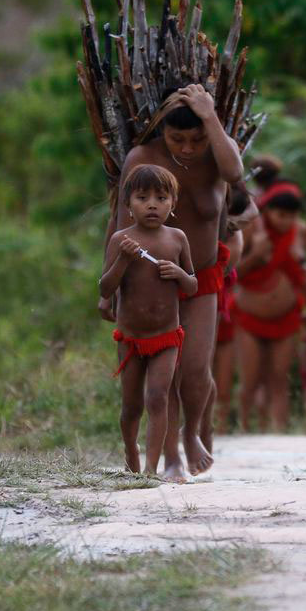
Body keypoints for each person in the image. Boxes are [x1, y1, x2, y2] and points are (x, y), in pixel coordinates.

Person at [112, 84, 244, 480]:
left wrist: (211, 117)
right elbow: (118, 225)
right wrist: (114, 288)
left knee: (195, 366)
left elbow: (236, 173)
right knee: (161, 375)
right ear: (161, 131)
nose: (187, 148)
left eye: (196, 139)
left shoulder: (219, 155)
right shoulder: (143, 157)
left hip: (202, 276)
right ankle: (170, 457)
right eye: (177, 139)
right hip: (150, 283)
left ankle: (192, 433)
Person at [100, 164, 197, 476]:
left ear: (173, 204)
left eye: (161, 197)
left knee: (157, 398)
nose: (152, 204)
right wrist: (123, 260)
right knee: (131, 405)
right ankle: (131, 453)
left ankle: (151, 469)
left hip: (167, 337)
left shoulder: (177, 239)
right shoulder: (120, 240)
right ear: (128, 205)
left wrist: (179, 274)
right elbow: (105, 287)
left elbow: (193, 285)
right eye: (142, 198)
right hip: (130, 339)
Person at [235, 180, 306, 431]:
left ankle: (278, 432)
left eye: (291, 216)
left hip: (287, 316)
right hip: (249, 317)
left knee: (279, 378)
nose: (285, 221)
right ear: (267, 210)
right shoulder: (252, 229)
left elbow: (301, 274)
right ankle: (243, 428)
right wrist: (256, 254)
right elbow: (233, 274)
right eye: (280, 215)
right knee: (250, 378)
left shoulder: (300, 231)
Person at [209, 186, 251, 435]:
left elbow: (230, 267)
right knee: (193, 367)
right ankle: (192, 425)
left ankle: (220, 425)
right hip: (199, 295)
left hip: (223, 306)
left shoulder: (237, 224)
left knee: (221, 373)